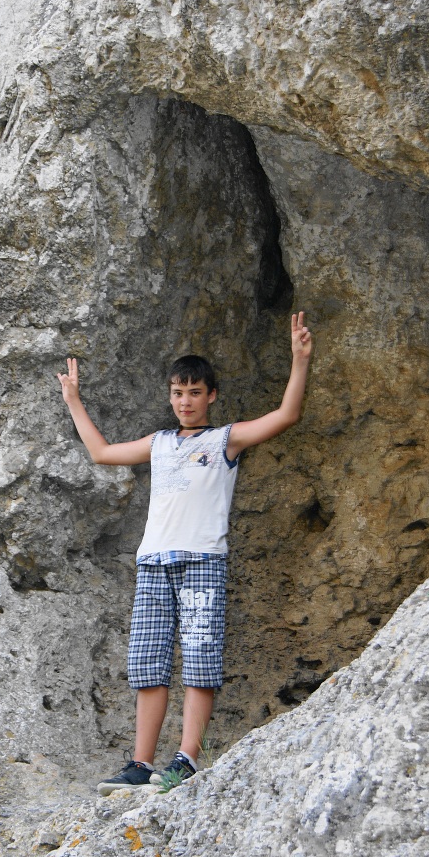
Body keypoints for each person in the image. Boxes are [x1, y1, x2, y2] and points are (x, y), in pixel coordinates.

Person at [57, 311, 313, 796]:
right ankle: (140, 763)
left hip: (201, 561)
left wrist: (299, 360)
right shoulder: (159, 443)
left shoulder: (224, 440)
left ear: (211, 395)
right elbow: (102, 453)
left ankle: (187, 759)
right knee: (147, 662)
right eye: (178, 393)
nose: (185, 401)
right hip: (153, 562)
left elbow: (286, 416)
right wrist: (73, 400)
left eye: (195, 392)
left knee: (199, 659)